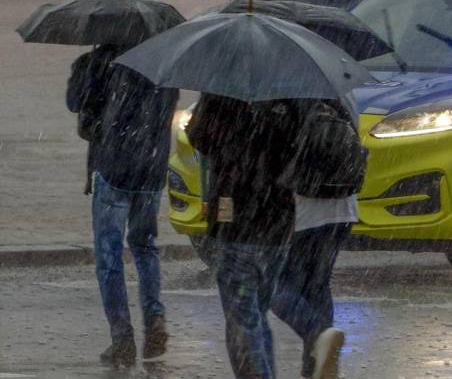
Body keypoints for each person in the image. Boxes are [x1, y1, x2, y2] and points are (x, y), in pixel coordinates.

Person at [66, 44, 179, 367]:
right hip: (151, 171)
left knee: (108, 255)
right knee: (145, 246)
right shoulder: (162, 63)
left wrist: (87, 64)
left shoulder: (101, 61)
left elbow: (75, 103)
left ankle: (122, 338)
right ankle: (154, 318)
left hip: (113, 168)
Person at [187, 95, 298, 379]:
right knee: (257, 318)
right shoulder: (290, 92)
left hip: (236, 222)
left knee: (244, 322)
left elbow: (199, 138)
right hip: (278, 227)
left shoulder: (223, 92)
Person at [270, 98, 363, 379]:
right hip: (343, 206)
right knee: (318, 285)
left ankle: (319, 335)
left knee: (271, 286)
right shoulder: (340, 91)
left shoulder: (283, 99)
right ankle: (316, 367)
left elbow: (274, 156)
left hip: (303, 208)